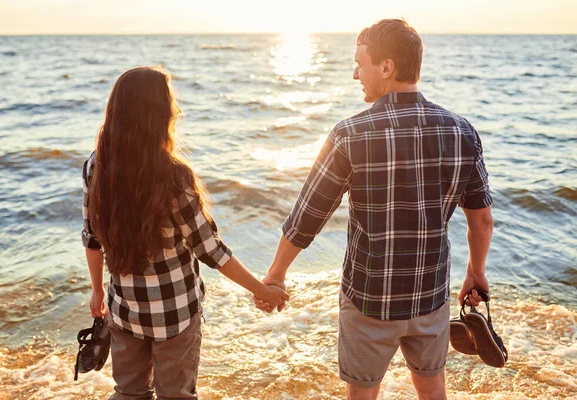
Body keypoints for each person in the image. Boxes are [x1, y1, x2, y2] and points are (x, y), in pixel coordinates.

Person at [255, 19, 493, 400]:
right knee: (433, 390)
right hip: (429, 296)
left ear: (386, 67)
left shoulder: (350, 134)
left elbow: (307, 217)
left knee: (362, 394)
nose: (355, 74)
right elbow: (481, 218)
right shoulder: (461, 131)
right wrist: (475, 273)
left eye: (360, 63)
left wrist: (276, 275)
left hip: (369, 300)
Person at [82, 66, 289, 400]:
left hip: (125, 309)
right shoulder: (174, 176)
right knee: (176, 396)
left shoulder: (97, 165)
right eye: (170, 104)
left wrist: (96, 292)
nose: (176, 111)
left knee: (128, 393)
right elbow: (210, 250)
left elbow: (91, 236)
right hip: (175, 314)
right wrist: (262, 290)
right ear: (159, 114)